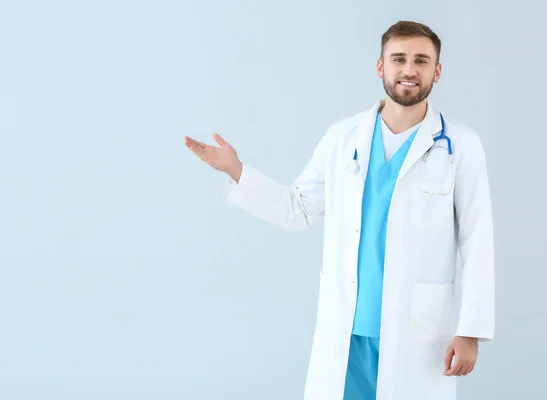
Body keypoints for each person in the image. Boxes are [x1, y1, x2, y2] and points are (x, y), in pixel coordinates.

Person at [184, 20, 495, 400]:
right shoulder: (342, 138)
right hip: (347, 330)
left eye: (421, 60)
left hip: (418, 333)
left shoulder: (460, 144)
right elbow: (297, 209)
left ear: (437, 71)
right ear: (381, 67)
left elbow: (477, 241)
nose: (409, 70)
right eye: (399, 59)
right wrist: (235, 170)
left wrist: (471, 330)